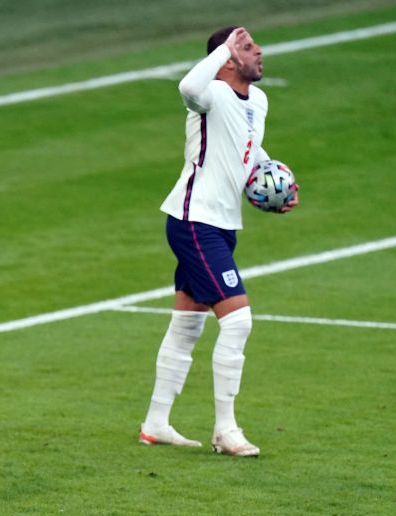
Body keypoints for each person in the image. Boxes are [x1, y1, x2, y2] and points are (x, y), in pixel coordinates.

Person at [139, 26, 298, 457]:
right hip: (194, 221)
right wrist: (224, 48)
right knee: (238, 320)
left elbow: (249, 151)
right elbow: (186, 85)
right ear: (228, 58)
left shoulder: (258, 100)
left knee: (187, 324)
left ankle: (155, 423)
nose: (259, 50)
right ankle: (225, 430)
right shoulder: (209, 94)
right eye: (247, 47)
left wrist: (275, 182)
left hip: (222, 225)